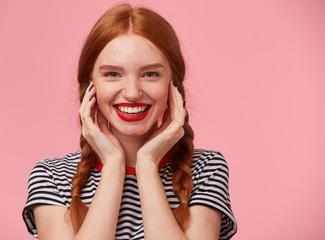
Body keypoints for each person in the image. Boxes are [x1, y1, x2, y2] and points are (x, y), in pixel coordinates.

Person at [22, 3, 237, 240]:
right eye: (112, 74)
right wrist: (114, 165)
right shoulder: (52, 177)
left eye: (150, 74)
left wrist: (147, 165)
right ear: (89, 86)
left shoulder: (206, 170)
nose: (132, 92)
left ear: (173, 86)